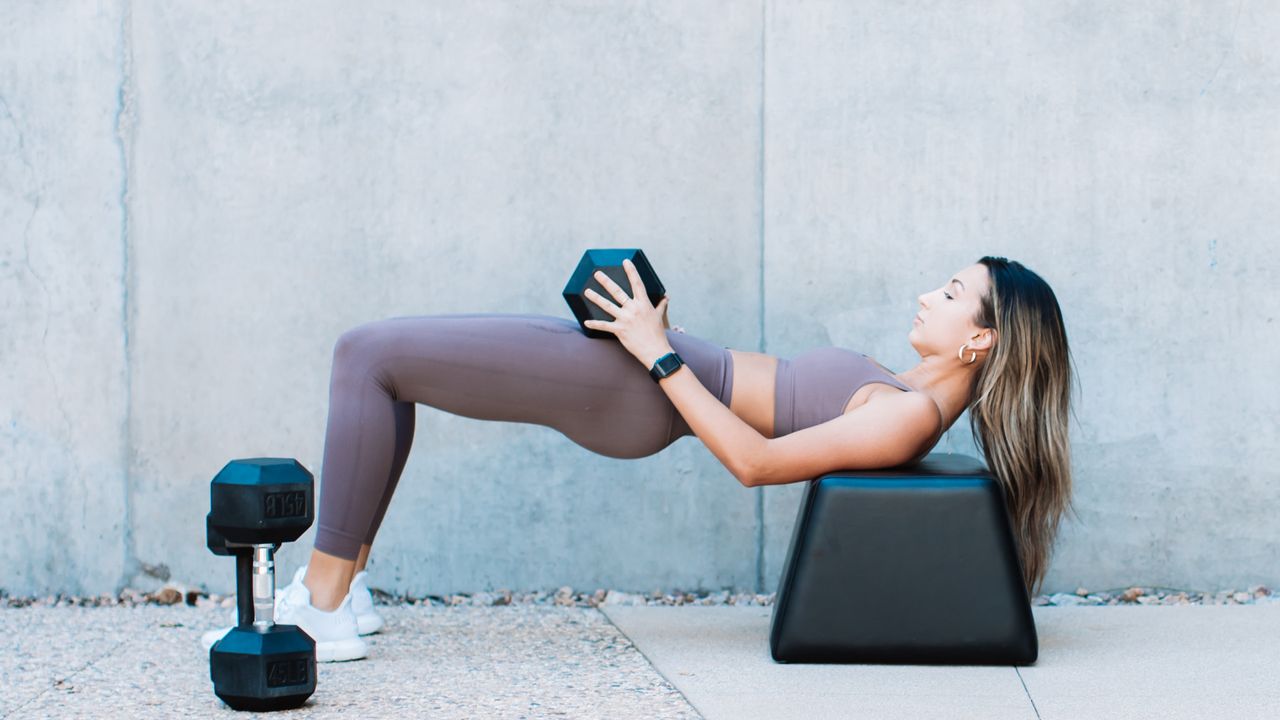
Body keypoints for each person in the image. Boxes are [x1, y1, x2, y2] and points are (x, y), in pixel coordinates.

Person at [203, 255, 1074, 662]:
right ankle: (340, 590)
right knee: (385, 368)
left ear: (981, 341)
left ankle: (321, 605)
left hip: (633, 390)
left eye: (954, 294)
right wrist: (665, 333)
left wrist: (658, 351)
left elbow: (758, 461)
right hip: (644, 371)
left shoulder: (907, 416)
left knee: (368, 354)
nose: (930, 292)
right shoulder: (906, 388)